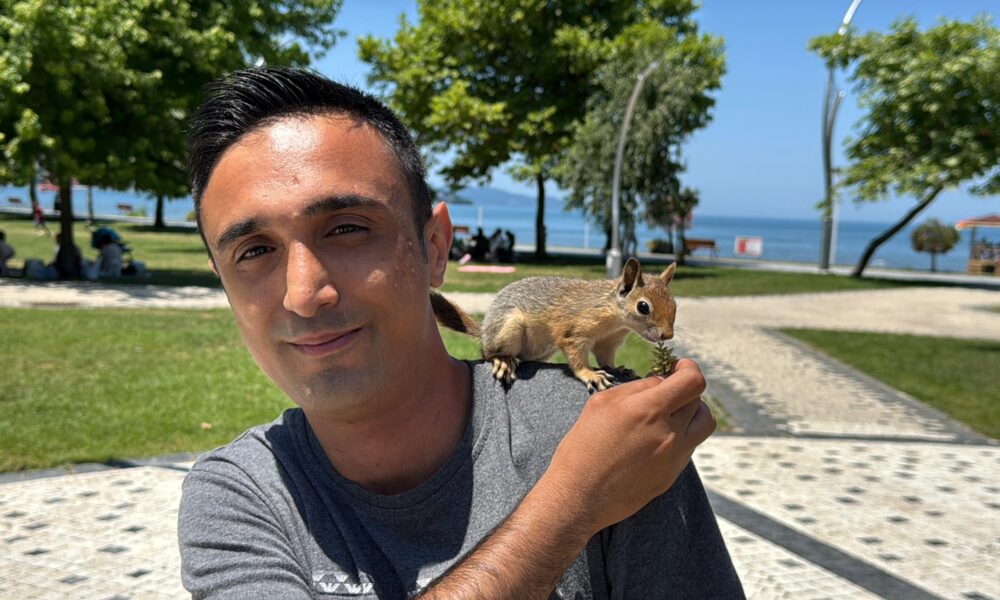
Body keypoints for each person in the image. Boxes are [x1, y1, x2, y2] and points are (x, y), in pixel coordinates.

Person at [178, 68, 743, 599]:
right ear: (223, 280)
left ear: (435, 248)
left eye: (347, 229)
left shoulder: (608, 430)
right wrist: (572, 504)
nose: (304, 294)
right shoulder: (238, 497)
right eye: (253, 251)